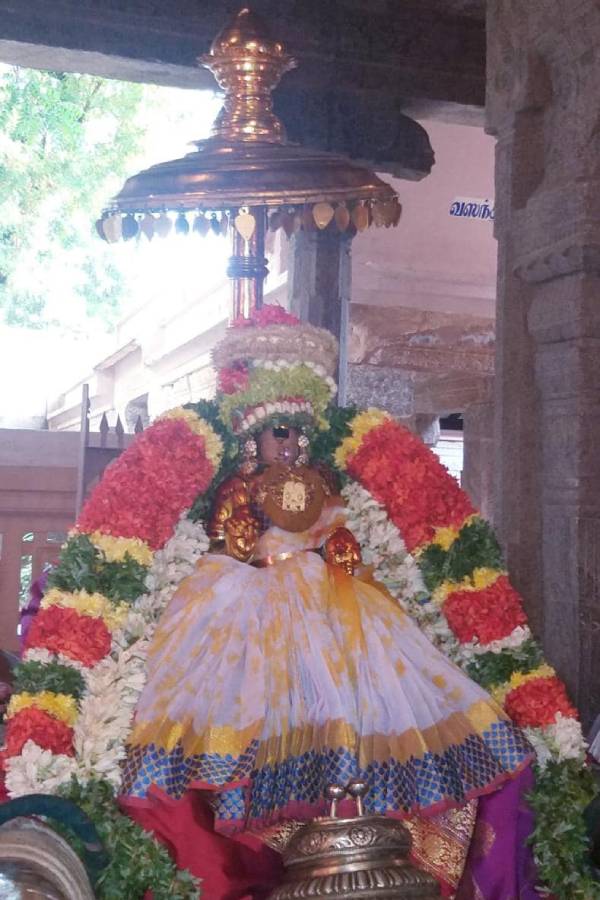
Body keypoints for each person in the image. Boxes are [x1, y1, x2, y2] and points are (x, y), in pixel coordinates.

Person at [120, 308, 538, 900]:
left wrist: (337, 548)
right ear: (252, 437)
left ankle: (356, 829)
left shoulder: (322, 484)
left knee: (364, 694)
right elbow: (230, 537)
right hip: (248, 597)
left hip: (332, 598)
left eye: (297, 433)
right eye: (278, 433)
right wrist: (246, 533)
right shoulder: (240, 486)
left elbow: (337, 535)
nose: (290, 445)